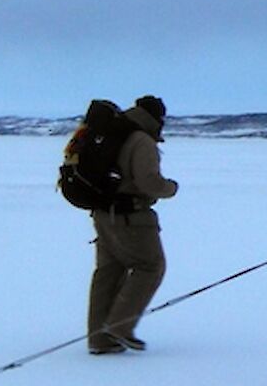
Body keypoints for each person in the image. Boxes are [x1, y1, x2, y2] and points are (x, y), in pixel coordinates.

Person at [87, 95, 178, 355]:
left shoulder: (114, 133)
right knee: (150, 266)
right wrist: (170, 188)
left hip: (103, 214)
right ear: (156, 118)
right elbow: (149, 182)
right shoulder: (141, 140)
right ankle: (119, 327)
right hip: (131, 217)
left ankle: (100, 339)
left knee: (108, 271)